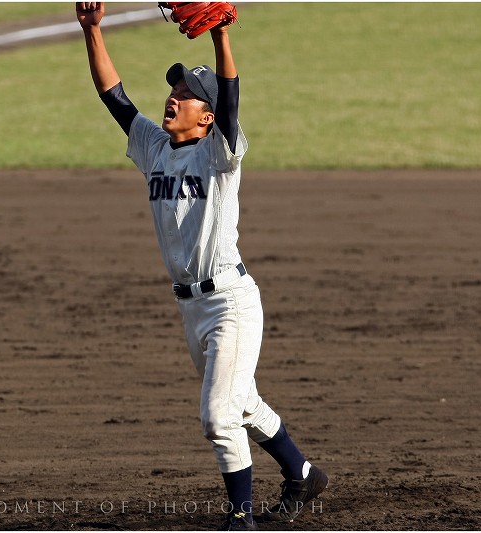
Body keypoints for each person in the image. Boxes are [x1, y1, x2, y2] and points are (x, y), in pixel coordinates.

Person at [76, 3, 328, 530]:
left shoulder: (221, 152)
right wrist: (92, 30)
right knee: (240, 402)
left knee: (218, 416)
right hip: (190, 308)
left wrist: (219, 37)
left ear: (206, 116)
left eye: (186, 94)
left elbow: (232, 99)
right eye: (173, 90)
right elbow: (114, 98)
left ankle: (241, 519)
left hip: (231, 301)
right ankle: (303, 474)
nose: (173, 98)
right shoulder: (154, 147)